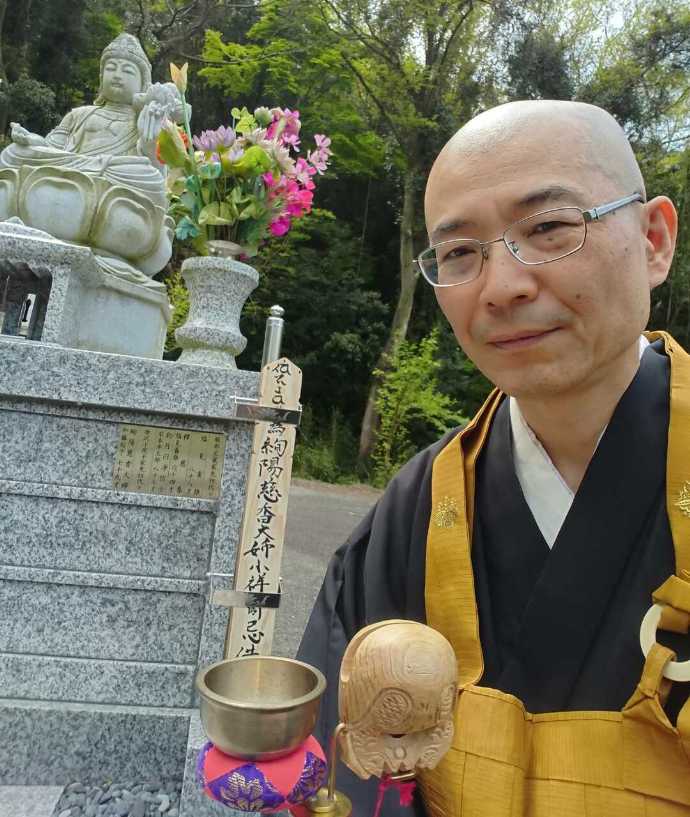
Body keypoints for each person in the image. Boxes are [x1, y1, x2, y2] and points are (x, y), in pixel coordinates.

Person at [298, 99, 690, 816]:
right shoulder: (416, 508)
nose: (502, 287)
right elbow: (340, 767)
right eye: (459, 253)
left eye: (548, 229)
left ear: (655, 239)